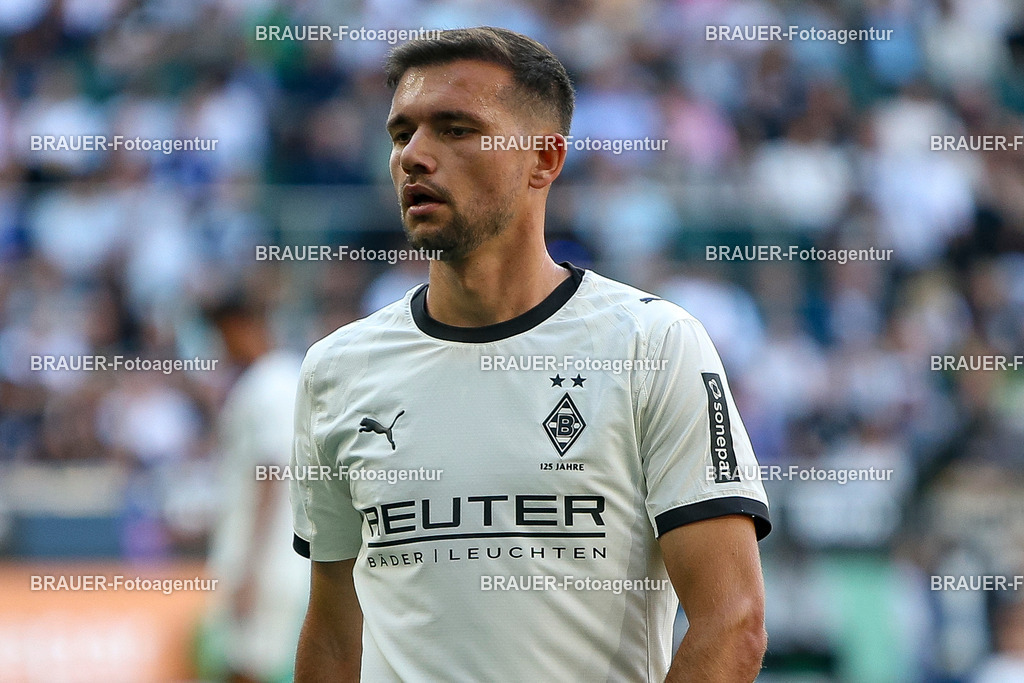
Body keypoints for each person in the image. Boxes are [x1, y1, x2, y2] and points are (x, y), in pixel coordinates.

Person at [290, 26, 770, 682]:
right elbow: (332, 636)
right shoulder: (336, 369)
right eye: (402, 134)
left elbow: (732, 622)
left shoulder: (651, 344)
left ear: (544, 159)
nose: (414, 157)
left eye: (456, 130)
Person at [205, 297, 309, 682]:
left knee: (245, 669)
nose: (220, 348)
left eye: (221, 336)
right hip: (276, 555)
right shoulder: (285, 377)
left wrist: (251, 568)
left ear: (240, 327)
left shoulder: (269, 383)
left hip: (264, 559)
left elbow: (273, 472)